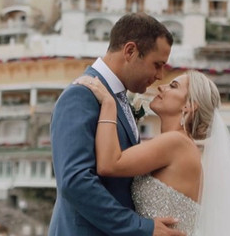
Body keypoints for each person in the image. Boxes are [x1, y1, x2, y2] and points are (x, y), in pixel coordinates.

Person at [75, 68, 230, 236]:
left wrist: (108, 103)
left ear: (189, 106)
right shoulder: (183, 146)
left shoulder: (177, 143)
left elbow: (109, 164)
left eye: (173, 86)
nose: (162, 87)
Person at [49, 13, 183, 236]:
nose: (160, 75)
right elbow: (75, 181)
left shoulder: (117, 99)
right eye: (157, 65)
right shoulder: (81, 96)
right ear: (130, 51)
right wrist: (140, 227)